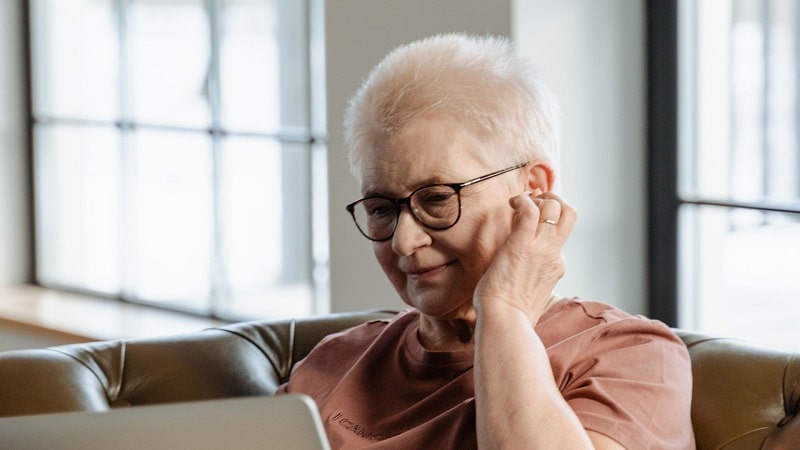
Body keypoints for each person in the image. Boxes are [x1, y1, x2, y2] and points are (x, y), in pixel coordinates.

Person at [279, 33, 695, 449]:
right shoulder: (333, 365)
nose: (404, 242)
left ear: (533, 189)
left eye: (438, 199)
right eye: (382, 209)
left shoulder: (632, 358)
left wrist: (504, 311)